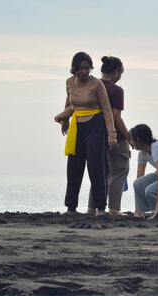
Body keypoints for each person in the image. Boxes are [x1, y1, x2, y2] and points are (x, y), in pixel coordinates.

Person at [54, 51, 117, 215]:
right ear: (74, 68)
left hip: (96, 125)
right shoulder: (69, 82)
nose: (84, 71)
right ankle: (71, 207)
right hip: (77, 126)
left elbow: (107, 109)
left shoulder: (97, 84)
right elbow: (70, 105)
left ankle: (101, 208)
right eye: (81, 68)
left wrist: (112, 134)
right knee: (73, 167)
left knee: (96, 168)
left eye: (87, 68)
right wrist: (64, 120)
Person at [86, 56, 131, 216]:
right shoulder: (116, 90)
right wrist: (128, 137)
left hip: (94, 135)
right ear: (117, 71)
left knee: (100, 173)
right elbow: (116, 117)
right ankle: (114, 209)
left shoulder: (92, 85)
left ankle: (92, 208)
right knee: (118, 171)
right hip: (114, 137)